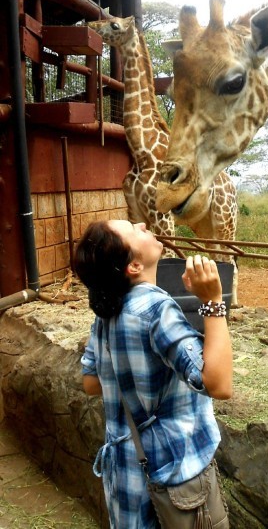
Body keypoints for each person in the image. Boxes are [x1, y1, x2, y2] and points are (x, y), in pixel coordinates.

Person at [74, 219, 232, 528]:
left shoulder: (106, 311)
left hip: (124, 473)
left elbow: (91, 383)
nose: (143, 222)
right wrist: (213, 302)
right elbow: (220, 383)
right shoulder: (156, 310)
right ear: (133, 265)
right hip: (173, 477)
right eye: (133, 228)